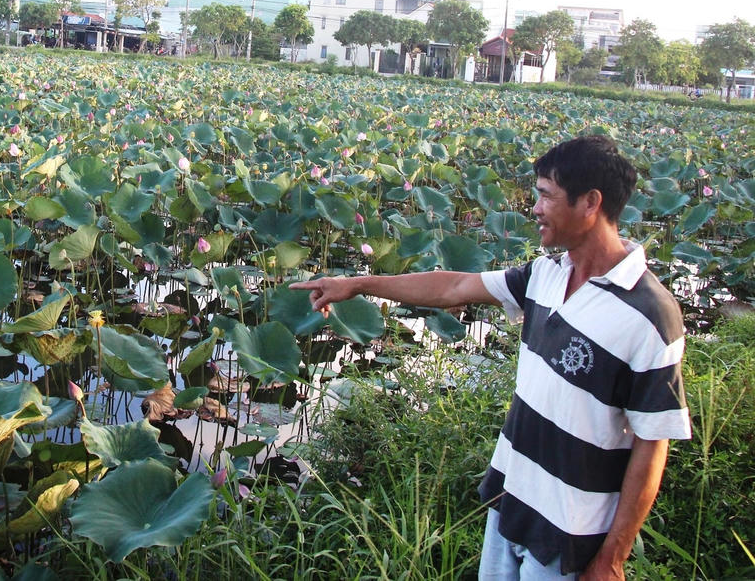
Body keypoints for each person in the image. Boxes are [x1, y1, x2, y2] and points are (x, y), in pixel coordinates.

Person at [292, 135, 691, 580]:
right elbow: (453, 288)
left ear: (590, 203)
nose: (535, 209)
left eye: (545, 196)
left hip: (571, 533)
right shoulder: (545, 273)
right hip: (511, 501)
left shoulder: (651, 315)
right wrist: (358, 284)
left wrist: (611, 559)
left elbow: (652, 443)